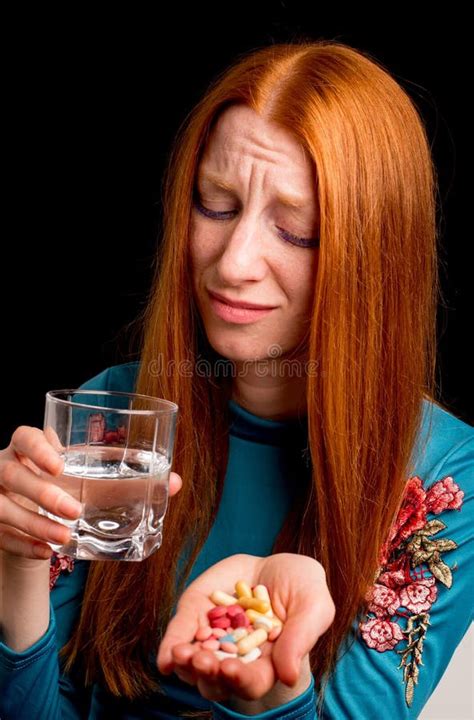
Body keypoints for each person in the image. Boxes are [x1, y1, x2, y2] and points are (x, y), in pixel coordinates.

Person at [0, 39, 473, 720]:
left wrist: (275, 683)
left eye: (297, 231)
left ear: (375, 255)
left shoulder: (446, 478)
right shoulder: (115, 413)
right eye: (216, 206)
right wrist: (18, 567)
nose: (235, 261)